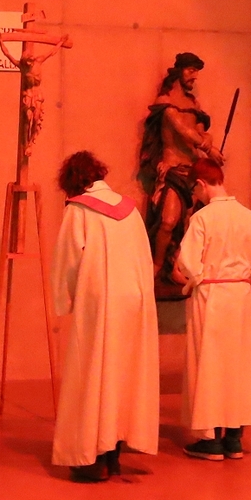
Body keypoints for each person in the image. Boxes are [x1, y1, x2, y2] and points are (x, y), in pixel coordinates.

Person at [51, 150, 159, 482]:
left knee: (93, 373)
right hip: (134, 300)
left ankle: (92, 457)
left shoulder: (79, 210)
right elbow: (144, 257)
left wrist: (64, 300)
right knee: (122, 375)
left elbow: (69, 260)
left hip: (100, 302)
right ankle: (114, 453)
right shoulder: (130, 209)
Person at [173, 159, 251, 460]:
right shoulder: (246, 215)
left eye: (194, 190)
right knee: (238, 364)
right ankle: (234, 437)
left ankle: (210, 439)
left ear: (201, 184)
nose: (195, 196)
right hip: (240, 295)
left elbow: (188, 260)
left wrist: (196, 279)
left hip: (211, 294)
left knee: (209, 363)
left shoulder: (203, 218)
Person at [140, 52, 222, 300]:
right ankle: (157, 265)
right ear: (179, 71)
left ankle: (175, 266)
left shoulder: (193, 103)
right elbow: (183, 130)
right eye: (191, 71)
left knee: (187, 224)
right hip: (173, 169)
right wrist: (209, 148)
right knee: (168, 221)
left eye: (196, 72)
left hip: (192, 171)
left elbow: (198, 131)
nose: (194, 77)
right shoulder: (165, 102)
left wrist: (207, 140)